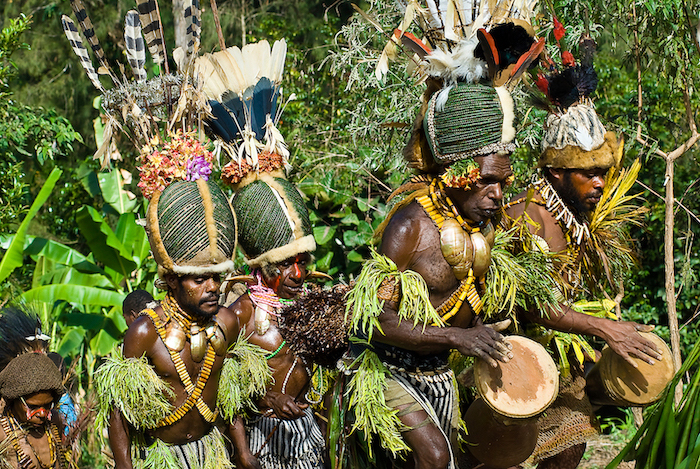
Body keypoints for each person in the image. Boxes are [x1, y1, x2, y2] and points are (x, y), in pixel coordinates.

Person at [343, 11, 543, 468]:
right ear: (456, 174)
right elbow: (372, 320)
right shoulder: (410, 224)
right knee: (435, 457)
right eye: (488, 183)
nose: (498, 196)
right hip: (387, 371)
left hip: (440, 375)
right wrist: (457, 336)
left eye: (503, 183)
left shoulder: (483, 228)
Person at [504, 33, 662, 469]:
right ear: (556, 170)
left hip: (560, 357)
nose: (599, 184)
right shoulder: (525, 217)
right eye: (587, 174)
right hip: (511, 355)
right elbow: (531, 305)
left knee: (569, 450)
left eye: (602, 173)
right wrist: (603, 329)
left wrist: (607, 328)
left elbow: (565, 296)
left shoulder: (576, 217)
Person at [94, 179, 268, 469]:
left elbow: (230, 394)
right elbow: (119, 412)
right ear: (172, 281)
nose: (212, 287)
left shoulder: (226, 321)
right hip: (165, 457)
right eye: (199, 280)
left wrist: (243, 451)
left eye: (216, 277)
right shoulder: (145, 331)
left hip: (211, 452)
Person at [0, 306, 78, 469]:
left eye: (47, 405)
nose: (42, 414)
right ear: (13, 399)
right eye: (33, 407)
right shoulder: (3, 432)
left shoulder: (54, 420)